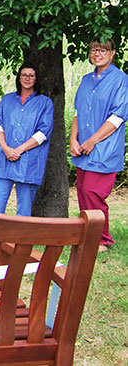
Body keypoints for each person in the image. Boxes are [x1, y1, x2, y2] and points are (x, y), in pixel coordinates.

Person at [70, 38, 128, 252]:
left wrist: (92, 141)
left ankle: (103, 239)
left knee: (94, 192)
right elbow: (77, 113)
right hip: (83, 148)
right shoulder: (85, 80)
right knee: (83, 191)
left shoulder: (122, 80)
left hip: (104, 148)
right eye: (94, 49)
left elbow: (117, 117)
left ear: (112, 53)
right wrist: (73, 139)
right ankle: (86, 236)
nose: (98, 53)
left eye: (103, 50)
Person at [0, 62, 54, 216]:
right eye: (24, 75)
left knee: (24, 209)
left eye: (31, 75)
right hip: (4, 159)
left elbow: (43, 132)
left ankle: (20, 240)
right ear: (18, 78)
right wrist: (5, 148)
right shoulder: (7, 100)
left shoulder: (45, 103)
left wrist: (19, 150)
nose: (27, 78)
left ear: (36, 79)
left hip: (29, 161)